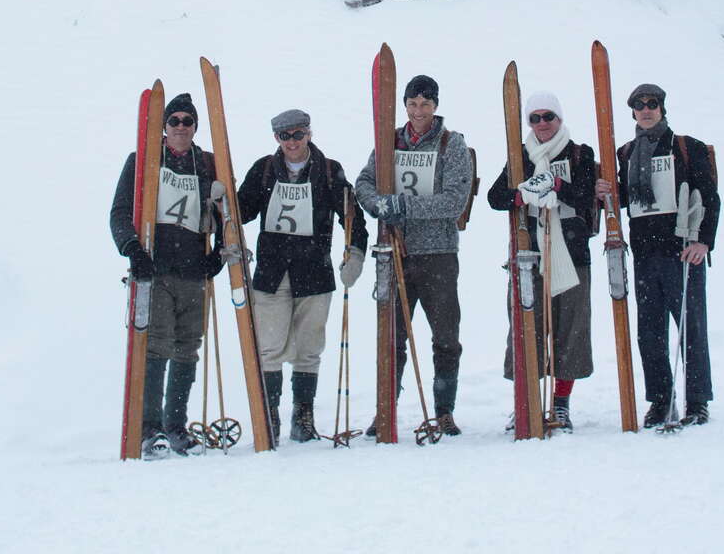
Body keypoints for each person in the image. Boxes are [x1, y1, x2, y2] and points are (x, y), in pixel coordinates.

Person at [236, 109, 368, 443]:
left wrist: (355, 253)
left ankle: (303, 414)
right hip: (272, 272)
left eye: (298, 135)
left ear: (309, 133)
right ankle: (270, 415)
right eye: (285, 136)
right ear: (276, 139)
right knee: (270, 347)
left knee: (309, 347)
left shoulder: (328, 170)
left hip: (314, 271)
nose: (292, 142)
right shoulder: (264, 170)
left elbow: (352, 216)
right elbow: (242, 212)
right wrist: (222, 206)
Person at [595, 83, 720, 427]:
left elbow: (709, 196)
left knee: (691, 328)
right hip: (646, 254)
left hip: (682, 251)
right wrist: (604, 191)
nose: (646, 110)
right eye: (639, 105)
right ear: (633, 112)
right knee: (649, 332)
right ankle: (661, 400)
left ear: (663, 108)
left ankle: (697, 401)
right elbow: (624, 199)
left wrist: (703, 242)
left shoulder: (686, 147)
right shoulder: (625, 153)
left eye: (652, 104)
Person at [355, 74, 472, 436]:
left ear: (435, 106)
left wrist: (403, 205)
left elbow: (454, 201)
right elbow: (364, 183)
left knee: (445, 337)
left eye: (425, 104)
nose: (418, 111)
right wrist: (379, 205)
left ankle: (444, 410)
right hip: (396, 253)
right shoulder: (389, 142)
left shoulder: (451, 145)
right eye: (412, 104)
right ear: (404, 105)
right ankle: (385, 409)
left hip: (437, 252)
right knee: (392, 336)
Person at [110, 92, 224, 459]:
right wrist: (132, 249)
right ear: (163, 126)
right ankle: (150, 428)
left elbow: (224, 211)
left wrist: (218, 253)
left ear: (194, 127)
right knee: (156, 345)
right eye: (173, 121)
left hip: (192, 270)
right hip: (155, 268)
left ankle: (176, 425)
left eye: (186, 121)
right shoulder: (143, 160)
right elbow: (120, 211)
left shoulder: (205, 163)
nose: (180, 127)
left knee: (188, 346)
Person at [487, 92, 596, 431]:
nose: (542, 123)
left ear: (559, 119)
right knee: (527, 330)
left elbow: (586, 194)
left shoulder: (580, 153)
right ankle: (528, 401)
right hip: (530, 255)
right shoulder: (520, 157)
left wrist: (557, 185)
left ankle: (560, 404)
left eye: (548, 116)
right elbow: (495, 197)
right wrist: (522, 193)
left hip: (572, 254)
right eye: (534, 118)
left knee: (570, 330)